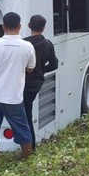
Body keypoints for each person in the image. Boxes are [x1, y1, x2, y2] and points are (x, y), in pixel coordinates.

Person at [0, 12, 36, 169]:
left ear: (3, 26)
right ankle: (27, 160)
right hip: (14, 98)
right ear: (20, 26)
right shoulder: (27, 46)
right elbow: (30, 69)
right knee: (23, 129)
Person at [23, 15, 59, 151]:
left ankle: (29, 146)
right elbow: (54, 64)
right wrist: (42, 69)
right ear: (43, 28)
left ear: (28, 25)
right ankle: (29, 145)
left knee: (25, 114)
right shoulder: (48, 44)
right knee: (27, 112)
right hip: (37, 83)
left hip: (23, 83)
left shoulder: (24, 44)